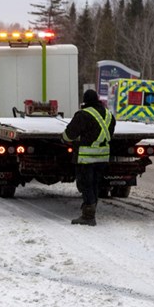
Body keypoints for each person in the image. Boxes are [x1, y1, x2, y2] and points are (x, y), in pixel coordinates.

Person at [60, 89, 115, 226]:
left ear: (85, 101)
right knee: (95, 185)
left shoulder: (83, 115)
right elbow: (110, 134)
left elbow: (69, 135)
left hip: (86, 158)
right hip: (102, 157)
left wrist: (63, 139)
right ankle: (91, 211)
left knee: (86, 185)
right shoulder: (109, 115)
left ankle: (88, 216)